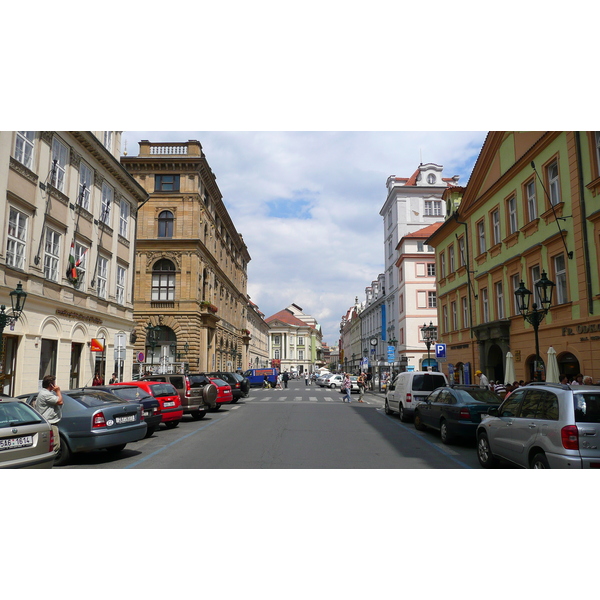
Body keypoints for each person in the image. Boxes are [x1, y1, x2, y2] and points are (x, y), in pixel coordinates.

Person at [36, 375, 64, 454]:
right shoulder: (46, 394)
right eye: (54, 383)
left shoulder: (46, 393)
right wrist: (58, 391)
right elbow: (60, 401)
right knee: (55, 445)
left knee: (52, 444)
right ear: (51, 384)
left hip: (49, 421)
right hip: (50, 422)